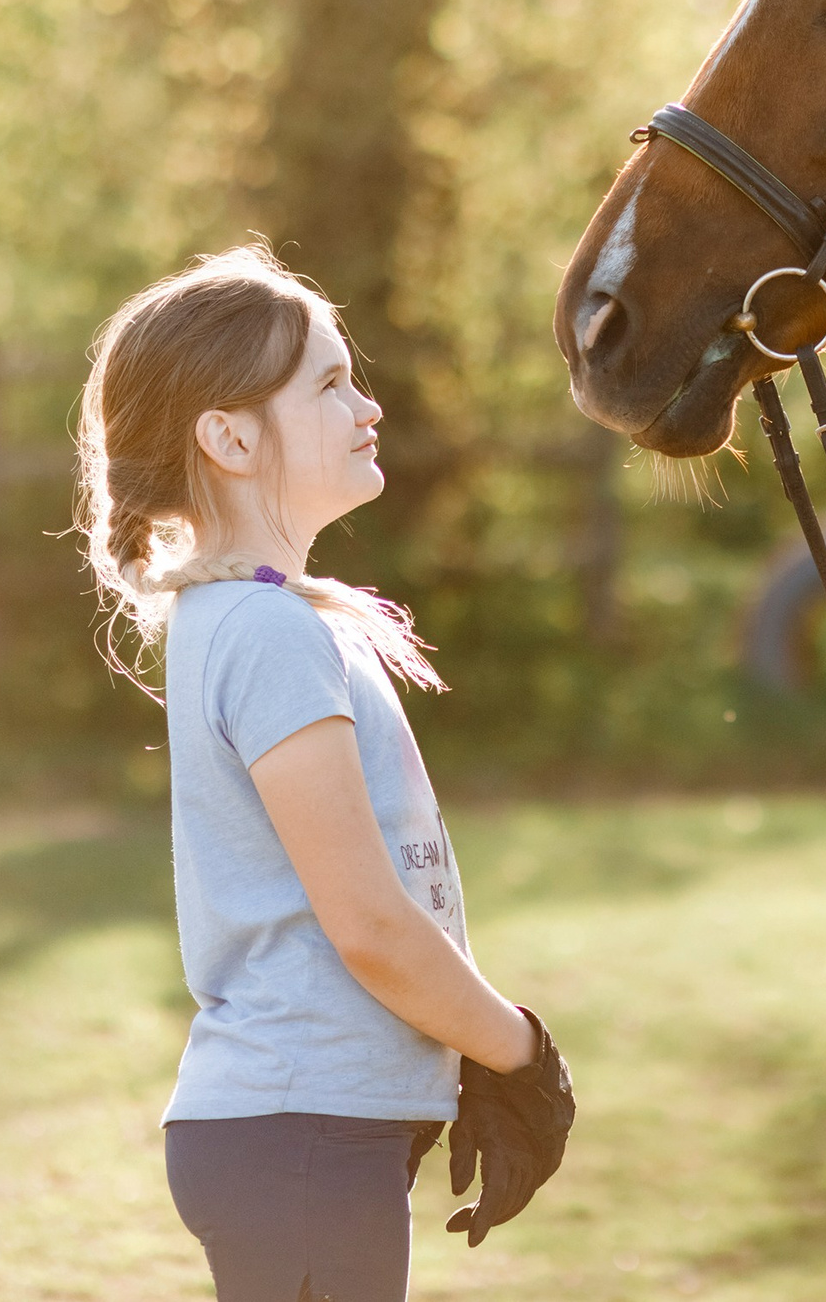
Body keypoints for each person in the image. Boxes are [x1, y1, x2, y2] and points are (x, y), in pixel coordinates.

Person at [73, 245, 575, 1301]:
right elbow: (368, 923)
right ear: (230, 436)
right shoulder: (264, 631)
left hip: (304, 1134)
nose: (370, 406)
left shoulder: (267, 616)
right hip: (296, 1134)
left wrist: (466, 1054)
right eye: (331, 384)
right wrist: (516, 1052)